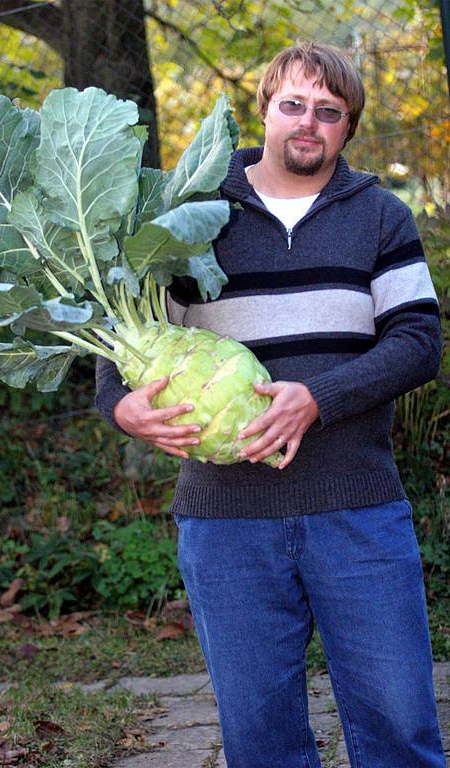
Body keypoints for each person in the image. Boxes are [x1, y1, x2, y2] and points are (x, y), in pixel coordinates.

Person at [94, 41, 446, 768]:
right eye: (293, 105)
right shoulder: (188, 215)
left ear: (348, 126)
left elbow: (417, 341)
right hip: (226, 521)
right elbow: (127, 341)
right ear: (265, 109)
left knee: (400, 729)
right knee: (258, 741)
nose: (308, 123)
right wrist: (118, 407)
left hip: (356, 508)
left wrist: (315, 400)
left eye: (329, 111)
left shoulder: (379, 216)